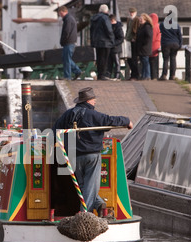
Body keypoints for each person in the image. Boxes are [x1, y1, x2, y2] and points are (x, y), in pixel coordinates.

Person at [53, 87, 133, 215]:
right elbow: (110, 120)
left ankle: (99, 204)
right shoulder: (93, 115)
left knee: (83, 186)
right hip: (92, 156)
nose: (95, 102)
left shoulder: (68, 114)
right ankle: (86, 215)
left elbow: (54, 130)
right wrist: (127, 121)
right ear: (89, 100)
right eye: (93, 99)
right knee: (90, 186)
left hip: (73, 156)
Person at [90, 4, 114, 80]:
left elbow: (91, 30)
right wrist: (112, 40)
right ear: (106, 10)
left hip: (97, 42)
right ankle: (102, 75)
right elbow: (109, 30)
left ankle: (99, 74)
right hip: (105, 42)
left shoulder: (94, 18)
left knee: (99, 58)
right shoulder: (105, 18)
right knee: (104, 59)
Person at [58, 6, 82, 80]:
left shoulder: (68, 19)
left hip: (68, 42)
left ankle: (67, 76)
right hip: (71, 42)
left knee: (67, 59)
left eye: (59, 13)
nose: (59, 15)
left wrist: (63, 41)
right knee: (66, 58)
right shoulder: (70, 19)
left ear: (62, 12)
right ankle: (77, 71)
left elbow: (66, 32)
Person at [159, 15, 183, 80]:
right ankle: (172, 75)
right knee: (173, 59)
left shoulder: (162, 24)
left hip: (166, 43)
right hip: (175, 44)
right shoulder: (176, 25)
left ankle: (164, 75)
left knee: (166, 60)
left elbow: (160, 31)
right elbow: (180, 35)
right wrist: (180, 44)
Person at [136, 13, 153, 80]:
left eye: (141, 19)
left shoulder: (147, 27)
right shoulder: (142, 27)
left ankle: (147, 75)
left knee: (145, 62)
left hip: (145, 48)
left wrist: (143, 43)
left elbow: (148, 37)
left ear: (145, 20)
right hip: (142, 47)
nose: (140, 20)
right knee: (143, 62)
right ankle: (143, 75)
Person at [107, 14, 124, 80]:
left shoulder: (118, 27)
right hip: (111, 47)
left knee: (116, 62)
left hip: (116, 48)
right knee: (110, 62)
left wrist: (113, 44)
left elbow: (121, 38)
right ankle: (109, 74)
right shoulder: (113, 27)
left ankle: (117, 75)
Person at [125, 7, 139, 80]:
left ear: (135, 13)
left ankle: (135, 75)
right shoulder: (129, 20)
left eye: (132, 12)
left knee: (134, 59)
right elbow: (128, 29)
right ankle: (133, 74)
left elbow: (137, 30)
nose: (131, 13)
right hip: (128, 40)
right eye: (130, 12)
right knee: (129, 59)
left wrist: (134, 38)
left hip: (134, 42)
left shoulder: (137, 20)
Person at [149, 13, 161, 80]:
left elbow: (152, 38)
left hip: (152, 45)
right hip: (157, 45)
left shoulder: (152, 27)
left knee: (151, 62)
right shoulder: (158, 26)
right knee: (155, 62)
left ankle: (152, 76)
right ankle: (155, 76)